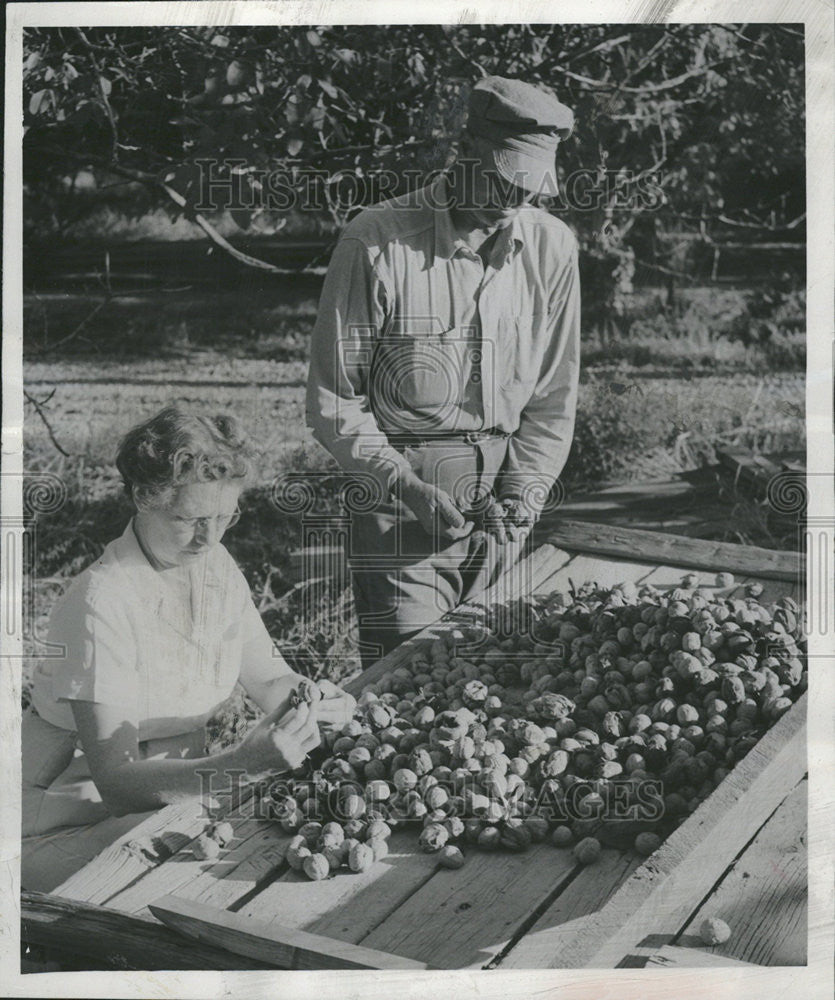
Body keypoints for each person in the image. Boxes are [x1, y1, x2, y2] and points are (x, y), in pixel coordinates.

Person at [22, 405, 356, 892]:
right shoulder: (102, 601)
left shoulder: (213, 565)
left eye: (225, 516)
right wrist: (242, 764)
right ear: (144, 498)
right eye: (191, 518)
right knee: (217, 867)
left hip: (167, 803)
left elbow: (267, 678)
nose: (209, 537)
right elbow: (115, 784)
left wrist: (316, 701)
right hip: (50, 825)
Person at [306, 76, 581, 667]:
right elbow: (335, 400)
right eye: (506, 177)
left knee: (495, 677)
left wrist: (524, 493)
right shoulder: (377, 242)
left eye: (530, 186)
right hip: (401, 506)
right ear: (468, 149)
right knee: (410, 680)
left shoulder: (553, 248)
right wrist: (404, 484)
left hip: (504, 507)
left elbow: (554, 394)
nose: (516, 199)